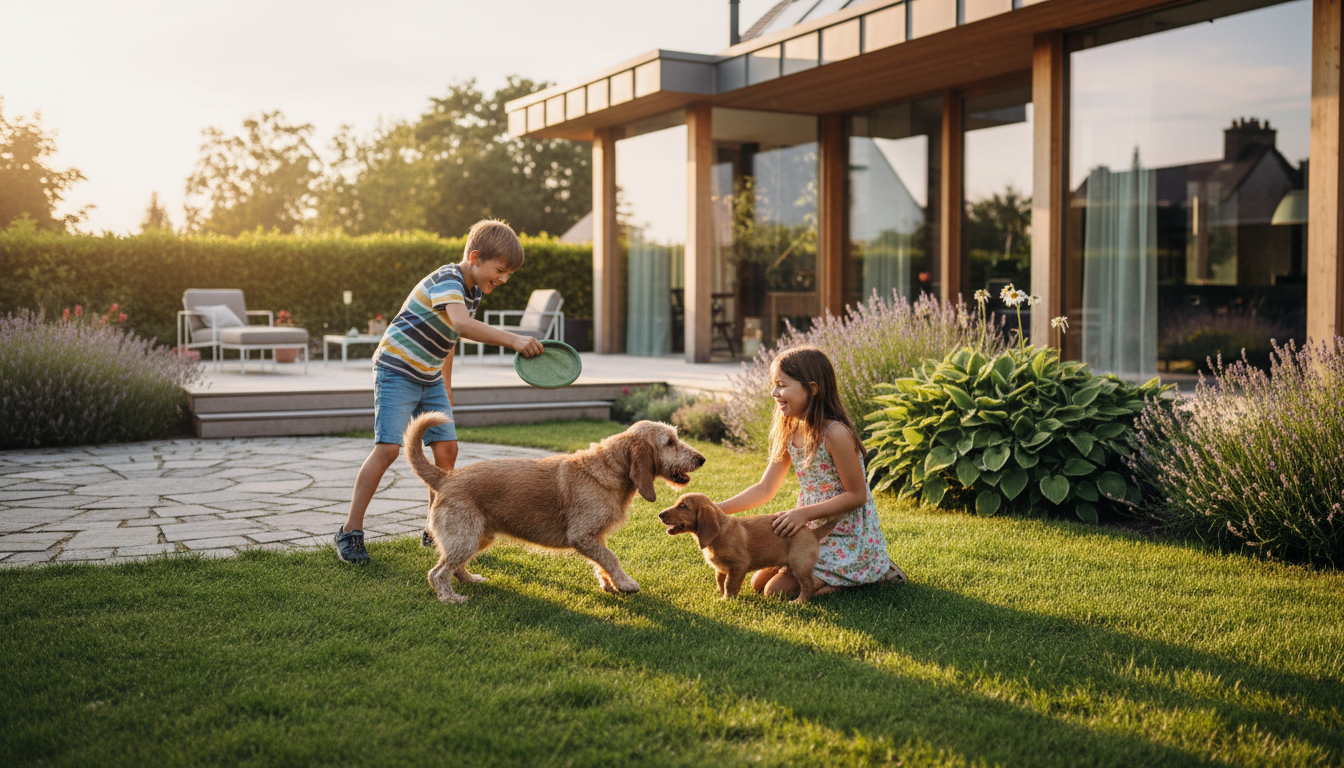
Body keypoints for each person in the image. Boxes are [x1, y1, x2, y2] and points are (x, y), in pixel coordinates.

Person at [334, 219, 543, 563]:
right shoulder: (447, 279)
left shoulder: (473, 290)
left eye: (509, 275)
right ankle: (350, 531)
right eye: (501, 271)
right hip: (397, 368)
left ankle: (436, 528)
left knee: (447, 451)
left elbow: (449, 337)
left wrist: (445, 384)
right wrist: (514, 340)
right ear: (475, 257)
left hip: (429, 376)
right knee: (387, 450)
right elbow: (462, 323)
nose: (503, 280)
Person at [717, 346, 906, 596]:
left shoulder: (835, 434)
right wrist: (715, 509)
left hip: (844, 532)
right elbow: (765, 488)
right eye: (774, 385)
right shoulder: (789, 431)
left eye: (782, 385)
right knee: (758, 582)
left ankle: (868, 571)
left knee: (776, 590)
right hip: (806, 530)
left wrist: (802, 514)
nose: (774, 393)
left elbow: (857, 495)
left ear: (812, 389)